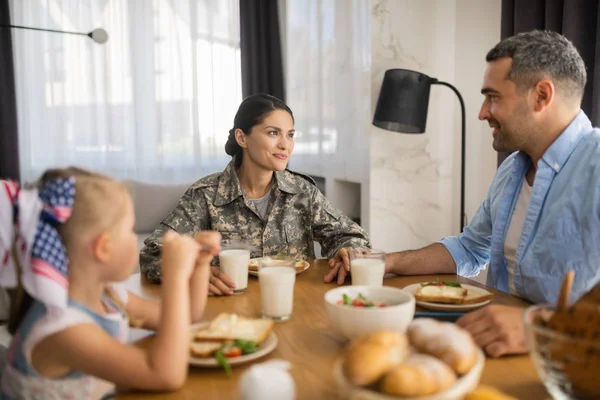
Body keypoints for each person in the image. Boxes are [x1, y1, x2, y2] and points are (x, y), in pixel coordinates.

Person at [332, 30, 600, 358]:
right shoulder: (512, 170)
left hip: (570, 360)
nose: (482, 112)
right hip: (496, 346)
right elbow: (470, 248)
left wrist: (543, 325)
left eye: (493, 97)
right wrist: (388, 261)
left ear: (541, 96)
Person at [0, 168, 221, 398]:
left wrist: (200, 265)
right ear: (103, 247)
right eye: (130, 229)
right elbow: (164, 375)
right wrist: (175, 276)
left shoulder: (108, 296)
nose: (135, 236)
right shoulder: (63, 329)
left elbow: (187, 318)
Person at [140, 93, 371, 294]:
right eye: (273, 133)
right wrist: (195, 272)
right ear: (242, 138)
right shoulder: (205, 195)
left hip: (296, 302)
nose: (285, 145)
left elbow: (351, 236)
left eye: (290, 135)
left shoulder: (303, 192)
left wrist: (347, 250)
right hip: (229, 306)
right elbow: (153, 253)